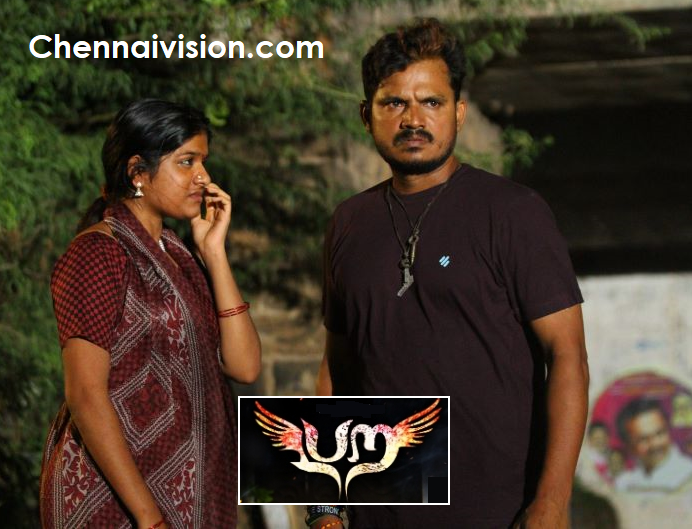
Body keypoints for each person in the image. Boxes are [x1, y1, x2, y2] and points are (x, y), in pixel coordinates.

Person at [314, 19, 589, 529]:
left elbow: (567, 356)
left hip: (499, 512)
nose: (413, 119)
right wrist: (324, 507)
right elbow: (339, 369)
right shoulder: (348, 222)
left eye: (431, 102)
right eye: (394, 103)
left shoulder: (514, 212)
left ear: (458, 113)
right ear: (366, 116)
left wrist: (552, 503)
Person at [39, 99, 261, 528]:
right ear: (138, 172)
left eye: (203, 162)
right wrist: (149, 517)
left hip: (183, 497)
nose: (203, 177)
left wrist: (214, 253)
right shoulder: (99, 253)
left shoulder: (181, 257)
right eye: (187, 162)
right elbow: (85, 393)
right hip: (114, 504)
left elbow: (244, 366)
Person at [615, 397, 692, 493]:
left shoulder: (688, 475)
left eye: (659, 433)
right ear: (629, 446)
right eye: (643, 439)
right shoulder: (623, 484)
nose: (654, 444)